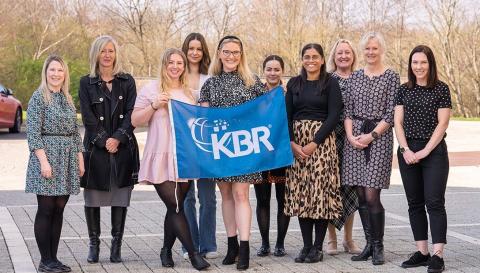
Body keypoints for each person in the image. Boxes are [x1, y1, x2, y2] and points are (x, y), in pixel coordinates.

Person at [131, 48, 210, 271]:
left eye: (179, 63)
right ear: (164, 65)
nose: (175, 67)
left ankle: (166, 250)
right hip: (160, 155)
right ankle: (194, 254)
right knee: (176, 205)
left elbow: (199, 122)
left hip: (184, 157)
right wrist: (154, 105)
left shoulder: (189, 93)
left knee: (173, 207)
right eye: (171, 63)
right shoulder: (151, 89)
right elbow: (135, 119)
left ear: (184, 66)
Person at [198, 35, 266, 270]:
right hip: (220, 148)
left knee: (241, 196)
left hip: (244, 148)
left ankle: (245, 247)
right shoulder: (209, 84)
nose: (231, 56)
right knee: (225, 196)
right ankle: (232, 246)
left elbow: (266, 111)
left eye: (236, 52)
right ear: (219, 54)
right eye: (227, 51)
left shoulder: (253, 81)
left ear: (241, 54)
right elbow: (204, 119)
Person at [79, 35, 139, 264]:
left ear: (116, 54)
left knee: (120, 197)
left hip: (123, 149)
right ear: (96, 54)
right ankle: (94, 244)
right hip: (96, 149)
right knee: (93, 198)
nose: (107, 55)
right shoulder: (86, 82)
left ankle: (116, 246)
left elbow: (133, 113)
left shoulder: (127, 81)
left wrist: (118, 139)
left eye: (111, 51)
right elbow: (87, 117)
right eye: (103, 51)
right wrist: (105, 141)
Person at [342, 32, 400, 265]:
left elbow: (391, 112)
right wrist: (350, 136)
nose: (370, 52)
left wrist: (372, 135)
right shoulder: (355, 76)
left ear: (381, 50)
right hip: (354, 136)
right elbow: (346, 110)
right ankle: (367, 244)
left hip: (379, 137)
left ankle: (378, 246)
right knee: (360, 196)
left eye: (374, 48)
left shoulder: (390, 76)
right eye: (367, 48)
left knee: (372, 194)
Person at [284, 43, 343, 264]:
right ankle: (306, 245)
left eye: (315, 56)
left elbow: (334, 115)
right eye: (307, 56)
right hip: (297, 144)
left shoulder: (330, 83)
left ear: (321, 60)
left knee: (319, 195)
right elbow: (287, 115)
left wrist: (315, 142)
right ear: (302, 59)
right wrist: (292, 142)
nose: (311, 60)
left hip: (321, 143)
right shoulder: (293, 83)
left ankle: (318, 247)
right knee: (302, 196)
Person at [395, 45, 451, 273]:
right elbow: (397, 122)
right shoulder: (403, 89)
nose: (418, 67)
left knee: (434, 202)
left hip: (433, 152)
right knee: (414, 203)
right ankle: (422, 252)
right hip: (408, 152)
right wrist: (405, 149)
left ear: (430, 64)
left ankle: (437, 255)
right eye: (415, 62)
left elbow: (443, 123)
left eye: (423, 62)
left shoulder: (441, 89)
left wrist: (425, 151)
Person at [26, 55, 84, 272]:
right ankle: (45, 260)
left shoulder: (67, 98)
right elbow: (33, 133)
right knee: (46, 209)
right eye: (52, 70)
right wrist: (44, 162)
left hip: (67, 158)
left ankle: (54, 259)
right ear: (46, 72)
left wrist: (80, 159)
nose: (56, 74)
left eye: (60, 70)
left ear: (64, 73)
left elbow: (75, 132)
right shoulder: (39, 97)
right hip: (47, 158)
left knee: (59, 209)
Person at [180, 33, 218, 259]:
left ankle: (209, 244)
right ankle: (189, 245)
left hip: (206, 144)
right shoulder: (177, 76)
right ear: (185, 50)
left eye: (199, 48)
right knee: (187, 197)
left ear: (204, 52)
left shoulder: (210, 78)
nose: (194, 52)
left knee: (208, 197)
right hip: (183, 143)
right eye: (191, 48)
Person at [324, 39, 362, 255]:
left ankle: (349, 238)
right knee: (332, 188)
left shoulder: (360, 78)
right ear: (334, 56)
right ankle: (332, 240)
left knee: (351, 189)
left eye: (347, 52)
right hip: (332, 138)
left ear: (353, 55)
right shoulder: (328, 79)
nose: (344, 56)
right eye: (340, 53)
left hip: (354, 139)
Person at [254, 55, 291, 257]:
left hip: (281, 156)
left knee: (283, 199)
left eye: (277, 69)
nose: (273, 73)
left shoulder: (288, 94)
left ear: (282, 71)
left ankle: (280, 244)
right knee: (262, 200)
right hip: (261, 156)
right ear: (264, 71)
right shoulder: (256, 95)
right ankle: (265, 243)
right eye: (269, 69)